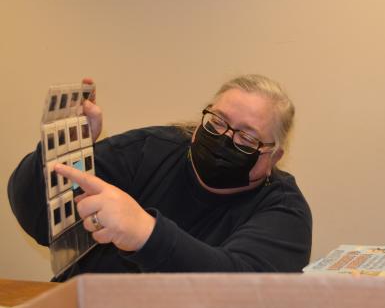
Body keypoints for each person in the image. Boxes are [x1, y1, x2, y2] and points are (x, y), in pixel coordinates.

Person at [8, 75, 312, 281]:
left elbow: (243, 290)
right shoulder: (148, 151)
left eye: (247, 137)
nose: (225, 138)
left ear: (274, 157)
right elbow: (38, 218)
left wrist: (145, 233)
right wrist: (63, 151)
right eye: (218, 122)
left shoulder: (283, 210)